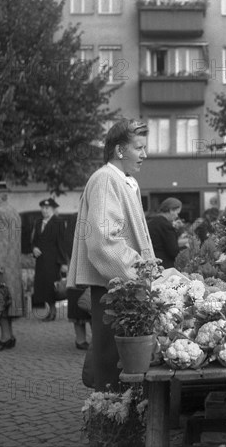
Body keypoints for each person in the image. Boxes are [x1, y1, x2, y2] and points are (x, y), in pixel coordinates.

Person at [67, 118, 154, 391]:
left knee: (122, 364)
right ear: (119, 150)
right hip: (114, 288)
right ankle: (111, 426)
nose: (145, 154)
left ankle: (119, 422)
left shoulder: (124, 181)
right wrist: (142, 273)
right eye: (139, 148)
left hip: (123, 288)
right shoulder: (105, 180)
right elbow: (103, 242)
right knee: (112, 367)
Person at [0, 181, 23, 351]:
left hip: (2, 265)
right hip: (13, 265)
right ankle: (9, 336)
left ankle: (4, 338)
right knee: (8, 303)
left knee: (0, 301)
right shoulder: (13, 211)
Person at [31, 198, 67, 321]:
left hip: (53, 261)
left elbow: (62, 243)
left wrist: (63, 262)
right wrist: (34, 249)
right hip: (41, 260)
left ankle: (53, 312)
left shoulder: (59, 222)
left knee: (52, 287)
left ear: (53, 209)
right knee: (43, 287)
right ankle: (49, 311)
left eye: (47, 208)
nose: (44, 210)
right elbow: (34, 241)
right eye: (43, 208)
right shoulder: (38, 222)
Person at [65, 213, 91, 350]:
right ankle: (80, 339)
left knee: (92, 305)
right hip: (78, 268)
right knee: (77, 304)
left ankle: (95, 339)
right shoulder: (74, 218)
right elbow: (69, 244)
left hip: (91, 268)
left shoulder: (97, 215)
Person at [146, 197, 184, 269]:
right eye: (177, 213)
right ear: (171, 210)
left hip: (152, 261)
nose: (177, 216)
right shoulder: (166, 225)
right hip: (165, 264)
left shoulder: (152, 221)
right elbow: (173, 251)